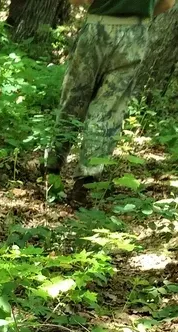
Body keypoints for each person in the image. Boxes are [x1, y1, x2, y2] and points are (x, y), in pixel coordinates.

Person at [46, 0, 175, 201]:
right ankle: (86, 184)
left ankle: (51, 171)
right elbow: (167, 3)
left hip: (97, 28)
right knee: (108, 110)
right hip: (135, 35)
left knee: (74, 101)